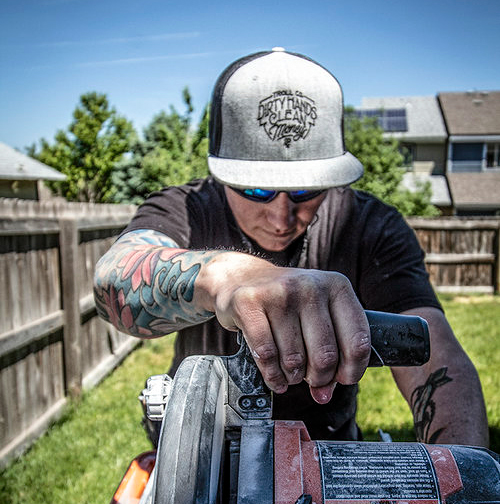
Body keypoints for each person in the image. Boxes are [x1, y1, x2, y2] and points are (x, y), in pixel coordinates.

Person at [94, 47, 489, 447]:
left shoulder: (371, 225)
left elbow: (434, 358)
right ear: (223, 174)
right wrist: (226, 277)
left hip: (328, 454)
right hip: (202, 456)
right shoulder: (187, 209)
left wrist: (462, 481)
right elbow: (114, 284)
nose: (282, 217)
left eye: (306, 189)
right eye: (256, 190)